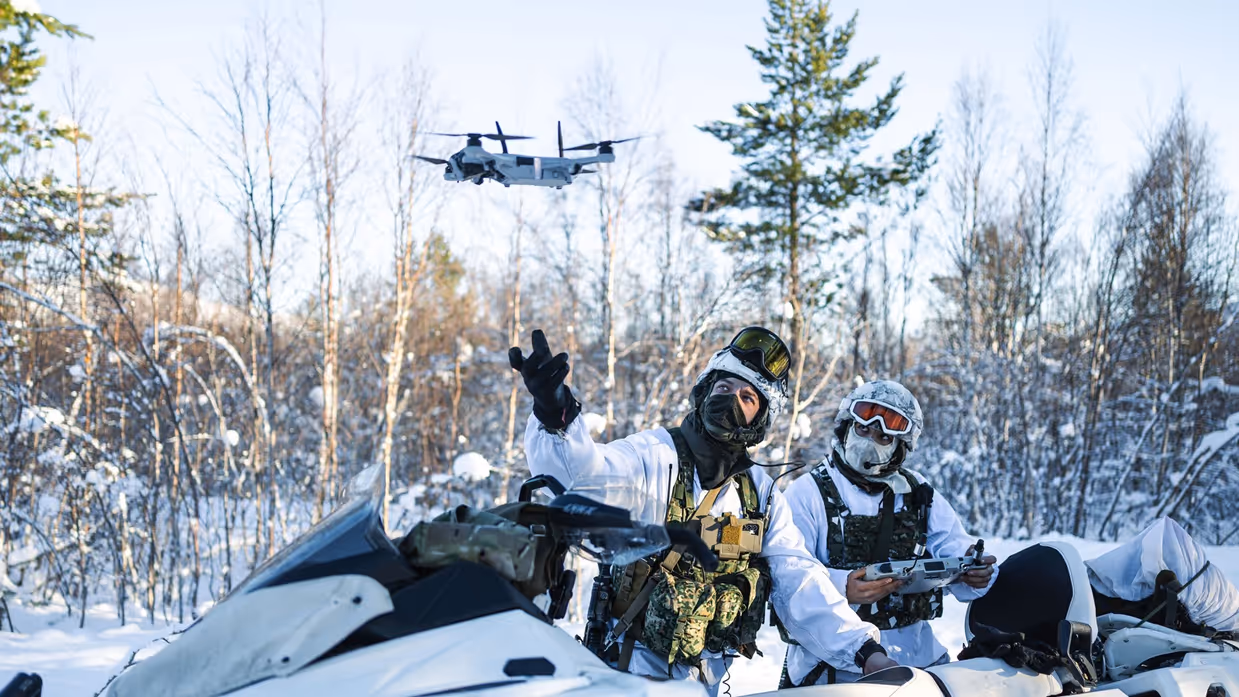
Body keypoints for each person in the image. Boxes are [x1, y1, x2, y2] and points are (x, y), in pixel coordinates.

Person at [510, 327, 898, 695]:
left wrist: (864, 651)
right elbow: (585, 480)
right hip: (627, 677)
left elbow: (798, 578)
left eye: (747, 397)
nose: (729, 400)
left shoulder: (759, 496)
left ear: (760, 419)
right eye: (723, 386)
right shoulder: (656, 456)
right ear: (704, 391)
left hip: (704, 684)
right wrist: (555, 415)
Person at [781, 379, 998, 686]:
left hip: (919, 664)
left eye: (883, 436)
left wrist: (973, 571)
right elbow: (789, 579)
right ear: (846, 427)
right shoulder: (808, 493)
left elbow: (953, 545)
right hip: (835, 671)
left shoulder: (917, 492)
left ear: (899, 448)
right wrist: (843, 586)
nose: (869, 440)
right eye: (863, 429)